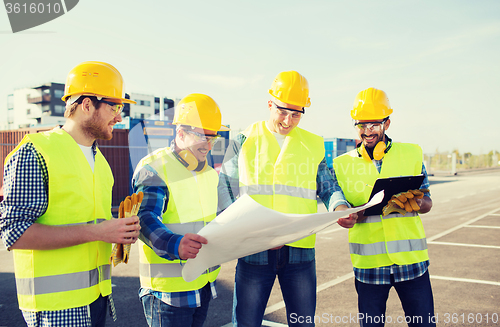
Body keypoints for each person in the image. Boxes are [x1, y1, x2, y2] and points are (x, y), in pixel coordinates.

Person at [0, 61, 141, 327]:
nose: (119, 116)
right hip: (55, 310)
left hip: (98, 300)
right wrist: (98, 232)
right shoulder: (35, 153)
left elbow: (94, 227)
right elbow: (13, 232)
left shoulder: (102, 163)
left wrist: (119, 236)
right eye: (115, 106)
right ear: (87, 105)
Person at [218, 70, 356, 327]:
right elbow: (225, 190)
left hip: (300, 251)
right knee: (246, 323)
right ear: (270, 104)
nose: (288, 120)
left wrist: (339, 205)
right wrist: (246, 231)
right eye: (283, 111)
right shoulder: (244, 140)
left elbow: (327, 185)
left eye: (296, 114)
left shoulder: (313, 144)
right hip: (255, 248)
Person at [332, 87, 435, 327]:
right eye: (361, 125)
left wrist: (415, 202)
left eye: (373, 125)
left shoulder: (411, 154)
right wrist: (345, 214)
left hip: (412, 264)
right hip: (369, 269)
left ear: (387, 123)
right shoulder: (342, 165)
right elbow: (339, 205)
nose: (367, 132)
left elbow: (428, 202)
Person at [132, 93, 229, 327]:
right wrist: (176, 244)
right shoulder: (154, 168)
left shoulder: (207, 172)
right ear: (181, 133)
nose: (207, 146)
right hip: (167, 292)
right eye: (202, 138)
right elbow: (144, 218)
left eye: (212, 139)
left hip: (202, 282)